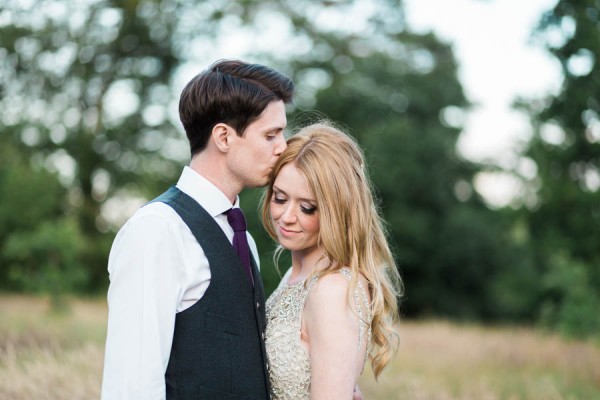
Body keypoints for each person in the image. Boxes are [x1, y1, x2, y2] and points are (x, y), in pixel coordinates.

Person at [101, 59, 294, 400]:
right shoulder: (157, 231)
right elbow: (131, 384)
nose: (283, 146)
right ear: (223, 137)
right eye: (271, 134)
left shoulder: (243, 239)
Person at [261, 122, 403, 399]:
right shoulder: (294, 274)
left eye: (307, 207)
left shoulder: (332, 290)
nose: (287, 216)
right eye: (280, 198)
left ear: (337, 210)